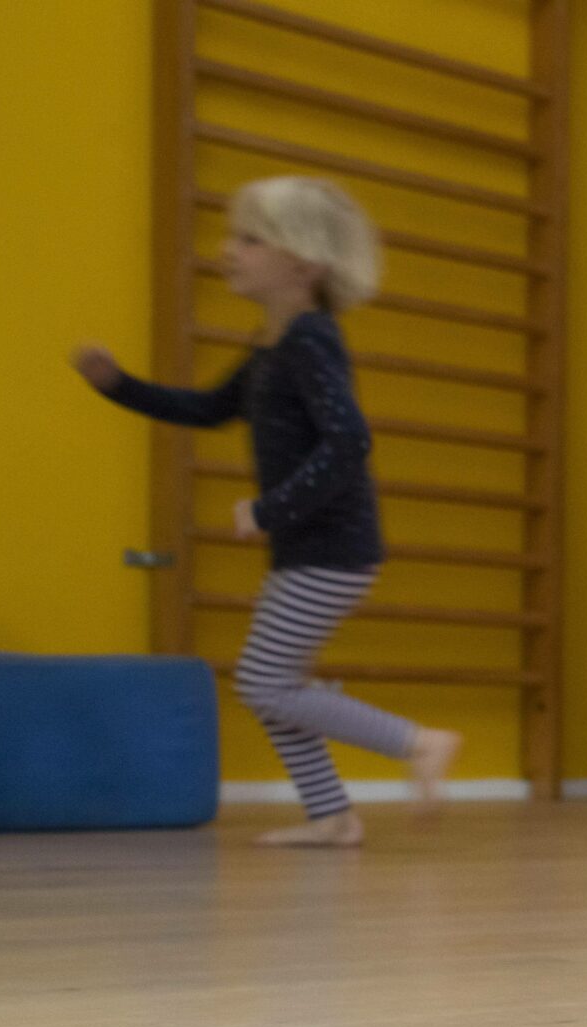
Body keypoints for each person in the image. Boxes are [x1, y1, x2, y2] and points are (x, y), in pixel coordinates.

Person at [73, 176, 461, 847]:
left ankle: (418, 742)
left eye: (249, 239)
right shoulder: (272, 348)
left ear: (303, 264)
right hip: (311, 549)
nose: (228, 250)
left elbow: (350, 441)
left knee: (263, 680)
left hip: (333, 548)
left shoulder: (311, 341)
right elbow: (206, 408)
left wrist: (271, 507)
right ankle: (332, 814)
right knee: (275, 683)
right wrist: (119, 386)